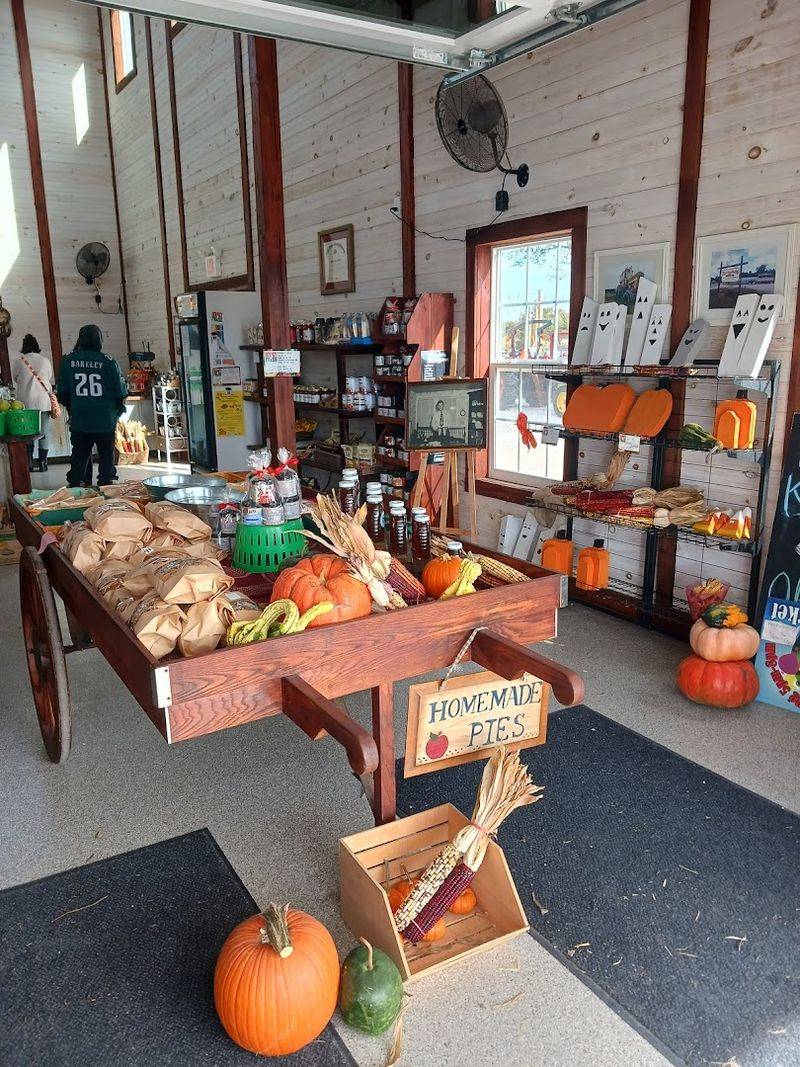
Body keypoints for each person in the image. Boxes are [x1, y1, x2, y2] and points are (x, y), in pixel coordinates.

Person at [57, 324, 127, 487]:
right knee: (106, 455)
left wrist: (72, 408)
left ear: (80, 340)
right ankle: (106, 486)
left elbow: (63, 392)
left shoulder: (68, 361)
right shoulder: (108, 362)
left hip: (80, 418)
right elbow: (120, 391)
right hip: (105, 418)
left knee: (80, 455)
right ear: (100, 341)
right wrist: (117, 411)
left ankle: (78, 485)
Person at [11, 334, 55, 472]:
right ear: (37, 347)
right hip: (43, 401)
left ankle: (29, 462)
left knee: (28, 432)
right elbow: (48, 377)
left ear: (24, 348)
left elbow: (16, 379)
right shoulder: (45, 361)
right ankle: (43, 463)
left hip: (25, 403)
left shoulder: (19, 361)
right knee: (44, 432)